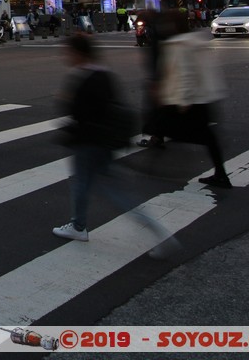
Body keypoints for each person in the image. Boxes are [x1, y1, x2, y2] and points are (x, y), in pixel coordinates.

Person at [51, 33, 179, 255]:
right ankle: (78, 225)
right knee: (85, 184)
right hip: (102, 141)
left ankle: (159, 234)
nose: (65, 56)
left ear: (78, 53)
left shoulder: (84, 77)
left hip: (90, 143)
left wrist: (66, 99)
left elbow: (79, 111)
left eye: (68, 51)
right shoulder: (103, 73)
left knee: (113, 193)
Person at [152, 12, 232, 188]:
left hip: (189, 98)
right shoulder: (196, 41)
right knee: (207, 136)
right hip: (205, 95)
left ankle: (218, 173)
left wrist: (183, 100)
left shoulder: (179, 45)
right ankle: (221, 173)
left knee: (170, 128)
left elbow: (185, 73)